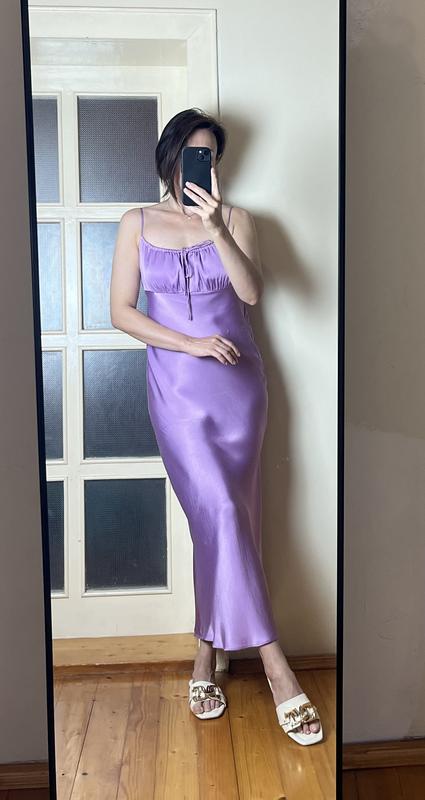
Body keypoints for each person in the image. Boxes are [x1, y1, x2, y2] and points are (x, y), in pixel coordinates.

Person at [110, 108, 322, 743]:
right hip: (177, 392)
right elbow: (121, 312)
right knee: (223, 513)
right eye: (188, 155)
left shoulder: (238, 220)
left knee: (229, 519)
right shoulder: (136, 222)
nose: (196, 166)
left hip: (240, 390)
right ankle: (278, 668)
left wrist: (216, 229)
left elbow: (252, 294)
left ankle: (206, 656)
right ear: (169, 158)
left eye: (207, 156)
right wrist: (190, 344)